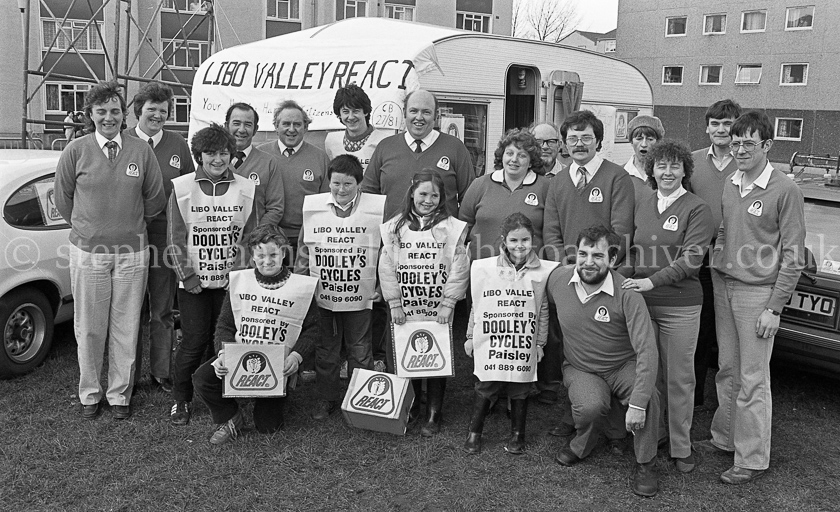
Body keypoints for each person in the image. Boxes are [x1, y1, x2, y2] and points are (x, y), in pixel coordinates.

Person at [695, 111, 806, 485]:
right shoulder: (731, 181)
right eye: (736, 142)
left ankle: (752, 458)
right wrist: (720, 261)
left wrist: (775, 307)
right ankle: (724, 438)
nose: (740, 149)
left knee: (753, 378)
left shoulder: (784, 189)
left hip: (758, 295)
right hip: (726, 286)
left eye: (748, 144)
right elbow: (725, 228)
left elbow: (793, 254)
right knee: (727, 369)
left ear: (767, 146)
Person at [54, 81, 166, 420]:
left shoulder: (140, 150)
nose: (108, 117)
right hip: (89, 252)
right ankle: (90, 393)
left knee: (126, 324)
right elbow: (63, 199)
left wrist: (127, 224)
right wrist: (91, 226)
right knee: (89, 325)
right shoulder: (76, 150)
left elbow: (155, 197)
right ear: (90, 114)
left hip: (132, 252)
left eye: (114, 111)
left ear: (123, 114)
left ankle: (119, 394)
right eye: (101, 111)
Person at [621, 140, 714, 473]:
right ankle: (656, 435)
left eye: (675, 166)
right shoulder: (644, 204)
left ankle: (681, 445)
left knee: (679, 378)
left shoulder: (698, 208)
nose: (668, 172)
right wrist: (617, 278)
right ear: (652, 170)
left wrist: (651, 282)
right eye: (661, 165)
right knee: (651, 375)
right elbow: (634, 253)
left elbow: (691, 261)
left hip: (680, 305)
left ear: (685, 171)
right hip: (644, 304)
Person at [548, 226, 660, 497]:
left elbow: (647, 350)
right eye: (583, 254)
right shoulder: (557, 280)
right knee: (590, 405)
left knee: (649, 397)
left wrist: (637, 403)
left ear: (612, 260)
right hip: (581, 367)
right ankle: (581, 445)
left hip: (622, 365)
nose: (588, 262)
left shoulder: (628, 292)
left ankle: (646, 463)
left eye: (597, 256)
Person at [542, 109, 636, 432]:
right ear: (565, 144)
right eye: (572, 139)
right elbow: (551, 231)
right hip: (570, 277)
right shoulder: (558, 182)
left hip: (603, 278)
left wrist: (597, 267)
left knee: (602, 344)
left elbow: (621, 231)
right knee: (571, 343)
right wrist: (567, 269)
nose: (579, 144)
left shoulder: (616, 177)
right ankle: (577, 410)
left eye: (586, 138)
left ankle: (604, 415)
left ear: (599, 141)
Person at [192, 225, 320, 443]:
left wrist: (296, 357)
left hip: (277, 365)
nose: (267, 261)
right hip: (239, 355)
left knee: (268, 427)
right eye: (260, 255)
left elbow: (314, 329)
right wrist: (223, 353)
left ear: (283, 253)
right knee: (203, 378)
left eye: (273, 254)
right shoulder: (241, 283)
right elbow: (224, 324)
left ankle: (270, 396)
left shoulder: (301, 288)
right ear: (252, 256)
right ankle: (231, 417)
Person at [167, 123, 256, 426]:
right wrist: (188, 276)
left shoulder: (246, 188)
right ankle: (181, 399)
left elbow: (250, 236)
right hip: (194, 282)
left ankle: (224, 394)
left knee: (225, 341)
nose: (217, 159)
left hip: (230, 283)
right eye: (210, 153)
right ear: (199, 155)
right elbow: (175, 238)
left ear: (232, 154)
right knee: (193, 341)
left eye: (223, 153)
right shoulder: (182, 187)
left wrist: (240, 275)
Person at [295, 155, 386, 421]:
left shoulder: (374, 210)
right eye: (336, 183)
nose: (341, 189)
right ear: (329, 182)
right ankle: (327, 398)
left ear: (359, 184)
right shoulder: (314, 210)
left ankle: (363, 397)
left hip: (361, 295)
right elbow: (304, 251)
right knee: (326, 349)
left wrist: (380, 283)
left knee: (360, 349)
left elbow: (384, 251)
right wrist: (302, 285)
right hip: (325, 294)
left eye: (348, 184)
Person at [379, 170, 470, 436]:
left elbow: (459, 267)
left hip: (438, 307)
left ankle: (434, 412)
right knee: (411, 354)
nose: (427, 200)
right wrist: (394, 302)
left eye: (434, 195)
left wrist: (450, 302)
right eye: (422, 194)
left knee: (436, 356)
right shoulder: (395, 227)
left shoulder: (451, 228)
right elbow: (386, 267)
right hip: (406, 307)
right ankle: (415, 405)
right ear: (412, 194)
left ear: (442, 198)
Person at [463, 213, 556, 455]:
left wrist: (540, 343)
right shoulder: (487, 268)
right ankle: (475, 431)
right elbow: (479, 303)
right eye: (514, 240)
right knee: (487, 383)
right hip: (493, 339)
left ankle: (517, 434)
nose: (520, 246)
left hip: (523, 342)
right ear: (504, 241)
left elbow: (542, 309)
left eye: (525, 240)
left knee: (521, 386)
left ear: (533, 240)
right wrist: (471, 335)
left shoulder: (541, 271)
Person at [127, 81, 195, 394]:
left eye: (163, 110)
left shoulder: (178, 144)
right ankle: (127, 373)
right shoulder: (121, 140)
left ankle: (160, 371)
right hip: (127, 237)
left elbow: (189, 190)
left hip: (164, 237)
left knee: (163, 308)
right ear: (138, 110)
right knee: (128, 310)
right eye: (151, 109)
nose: (157, 114)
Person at [689, 99, 742, 408]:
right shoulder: (693, 162)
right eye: (716, 124)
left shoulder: (747, 161)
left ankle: (729, 402)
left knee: (727, 331)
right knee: (699, 327)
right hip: (699, 255)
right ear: (707, 127)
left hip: (736, 257)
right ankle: (693, 397)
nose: (721, 129)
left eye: (728, 123)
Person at [362, 89, 475, 220]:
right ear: (405, 113)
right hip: (393, 238)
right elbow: (368, 195)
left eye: (426, 112)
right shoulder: (385, 147)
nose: (419, 117)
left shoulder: (455, 148)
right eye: (413, 111)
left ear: (436, 116)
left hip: (440, 239)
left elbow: (469, 200)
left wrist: (458, 233)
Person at [459, 128, 549, 261]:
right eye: (509, 153)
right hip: (484, 271)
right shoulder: (479, 185)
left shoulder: (545, 188)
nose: (514, 159)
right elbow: (462, 229)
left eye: (522, 155)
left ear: (531, 162)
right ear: (502, 156)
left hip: (530, 271)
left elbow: (552, 231)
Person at [259, 100, 330, 259]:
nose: (291, 129)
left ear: (306, 127)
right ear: (276, 127)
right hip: (268, 238)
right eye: (286, 124)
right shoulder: (261, 155)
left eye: (297, 124)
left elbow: (326, 204)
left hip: (307, 240)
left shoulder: (320, 158)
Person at [225, 102, 285, 228]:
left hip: (254, 241)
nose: (241, 130)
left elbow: (275, 208)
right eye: (236, 123)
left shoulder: (268, 163)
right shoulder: (213, 162)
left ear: (255, 130)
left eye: (248, 124)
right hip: (218, 240)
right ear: (226, 126)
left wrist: (255, 235)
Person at [324, 83, 390, 170]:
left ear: (365, 112)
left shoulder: (384, 141)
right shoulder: (331, 141)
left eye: (356, 111)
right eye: (345, 111)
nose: (351, 117)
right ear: (339, 114)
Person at [624, 115, 664, 203]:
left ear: (658, 142)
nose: (644, 144)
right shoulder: (620, 173)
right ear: (631, 141)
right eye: (639, 139)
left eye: (650, 139)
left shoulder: (666, 174)